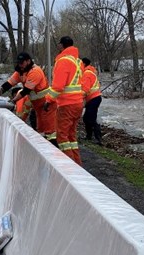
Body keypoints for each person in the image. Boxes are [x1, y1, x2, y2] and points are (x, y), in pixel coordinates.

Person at [0, 52, 57, 145]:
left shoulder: (35, 71)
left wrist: (12, 102)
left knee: (49, 131)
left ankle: (55, 150)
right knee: (41, 129)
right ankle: (43, 148)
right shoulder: (21, 72)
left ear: (28, 61)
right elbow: (8, 85)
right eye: (18, 63)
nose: (20, 65)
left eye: (22, 63)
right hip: (37, 104)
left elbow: (25, 91)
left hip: (46, 104)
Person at [44, 36, 84, 164]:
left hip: (67, 104)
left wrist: (48, 100)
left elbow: (58, 86)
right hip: (78, 103)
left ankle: (70, 167)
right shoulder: (78, 61)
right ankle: (77, 163)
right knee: (71, 136)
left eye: (59, 45)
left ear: (62, 45)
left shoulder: (63, 61)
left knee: (62, 136)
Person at [81, 57, 103, 145]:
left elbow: (85, 89)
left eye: (80, 64)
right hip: (94, 98)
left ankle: (98, 139)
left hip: (93, 98)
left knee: (91, 119)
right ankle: (89, 136)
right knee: (87, 118)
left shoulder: (87, 73)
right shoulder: (90, 72)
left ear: (84, 64)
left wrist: (78, 98)